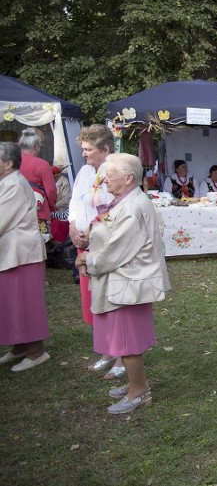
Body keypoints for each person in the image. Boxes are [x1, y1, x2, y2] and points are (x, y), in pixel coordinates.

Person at [75, 153, 169, 414]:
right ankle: (133, 383)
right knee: (122, 339)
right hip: (122, 280)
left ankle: (138, 391)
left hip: (128, 282)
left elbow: (117, 250)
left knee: (128, 342)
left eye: (110, 174)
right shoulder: (125, 200)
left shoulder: (133, 206)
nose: (105, 179)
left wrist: (87, 260)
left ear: (128, 178)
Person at [67, 124, 124, 377]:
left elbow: (117, 208)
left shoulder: (117, 173)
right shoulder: (84, 172)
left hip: (105, 246)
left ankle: (123, 356)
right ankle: (106, 351)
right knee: (94, 301)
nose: (84, 154)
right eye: (83, 149)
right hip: (84, 246)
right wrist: (72, 227)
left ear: (105, 149)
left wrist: (93, 229)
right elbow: (76, 203)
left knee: (114, 300)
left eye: (88, 149)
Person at [0, 143, 51, 372]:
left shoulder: (13, 185)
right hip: (12, 252)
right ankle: (18, 346)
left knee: (24, 302)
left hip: (21, 252)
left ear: (8, 164)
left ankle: (36, 351)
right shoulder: (8, 182)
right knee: (11, 301)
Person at [18, 128, 57, 232]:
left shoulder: (12, 163)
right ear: (35, 146)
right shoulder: (43, 164)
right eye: (41, 147)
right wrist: (52, 207)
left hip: (16, 213)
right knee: (40, 246)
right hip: (39, 212)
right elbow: (51, 190)